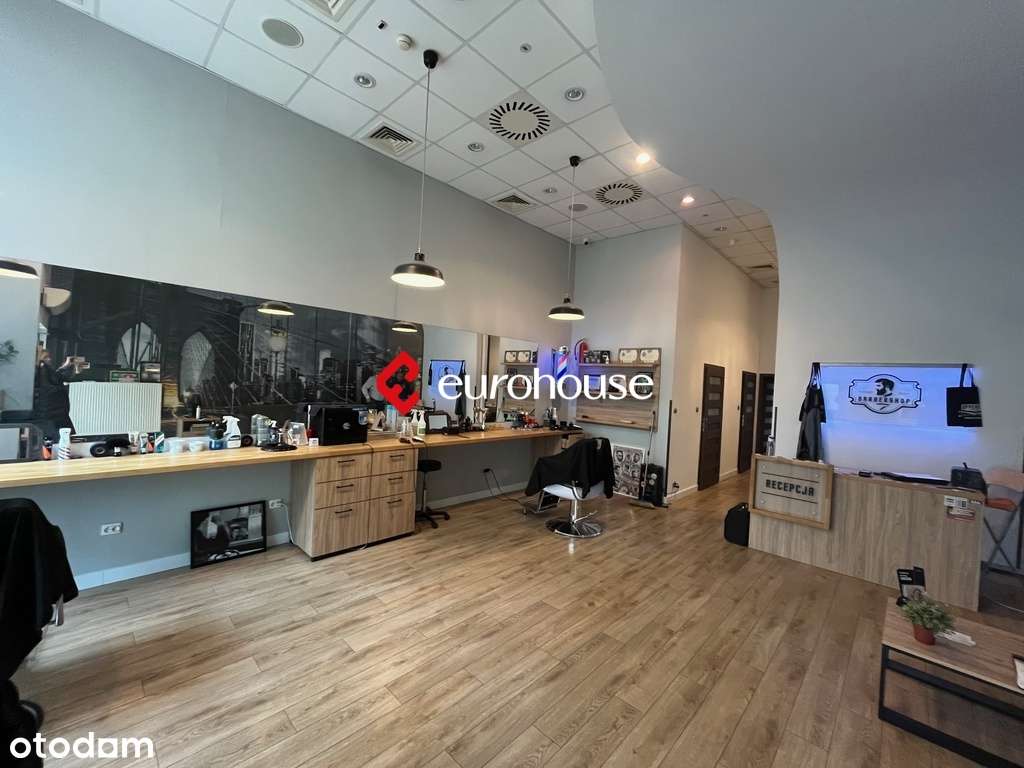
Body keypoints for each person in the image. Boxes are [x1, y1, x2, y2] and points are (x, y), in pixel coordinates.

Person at [34, 346, 75, 441]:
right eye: (46, 357)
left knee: (63, 438)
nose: (49, 359)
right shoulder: (40, 369)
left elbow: (56, 377)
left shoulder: (45, 368)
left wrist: (66, 366)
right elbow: (54, 381)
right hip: (51, 413)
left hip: (58, 412)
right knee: (59, 439)